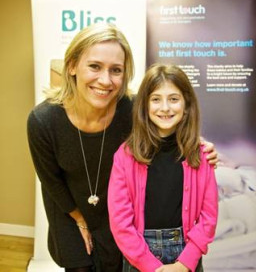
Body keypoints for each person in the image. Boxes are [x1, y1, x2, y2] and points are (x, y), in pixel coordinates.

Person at [27, 24, 218, 272]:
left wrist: (201, 147)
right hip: (70, 211)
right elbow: (51, 181)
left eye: (116, 70)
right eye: (95, 66)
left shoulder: (133, 110)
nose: (105, 80)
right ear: (72, 66)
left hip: (120, 217)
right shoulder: (43, 121)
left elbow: (169, 124)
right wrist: (80, 219)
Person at [108, 64, 218, 272]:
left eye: (174, 99)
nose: (165, 108)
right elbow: (120, 221)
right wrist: (150, 266)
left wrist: (186, 262)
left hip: (186, 254)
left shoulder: (201, 154)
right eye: (156, 99)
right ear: (145, 106)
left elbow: (209, 216)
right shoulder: (125, 156)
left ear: (186, 106)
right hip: (139, 255)